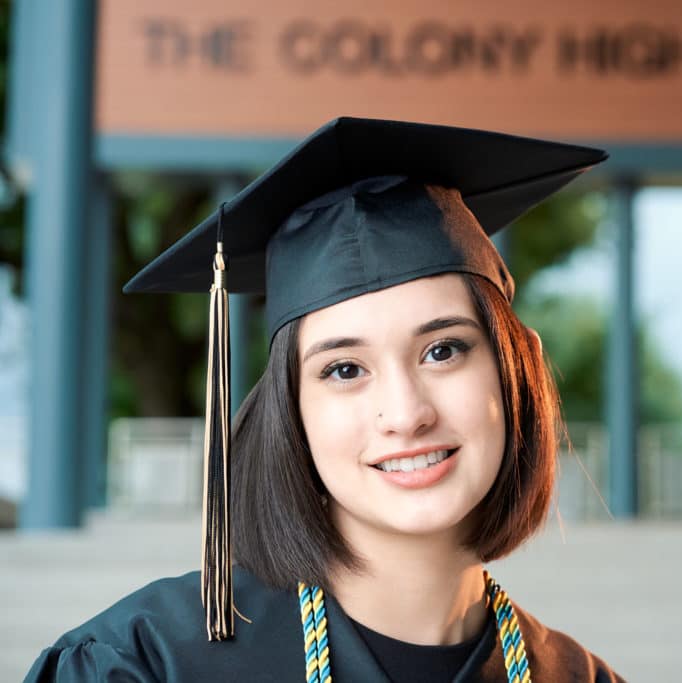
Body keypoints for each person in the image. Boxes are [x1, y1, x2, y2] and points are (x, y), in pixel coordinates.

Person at [24, 117, 621, 682]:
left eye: (443, 351)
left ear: (512, 372)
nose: (406, 413)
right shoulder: (144, 665)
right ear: (292, 410)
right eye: (343, 369)